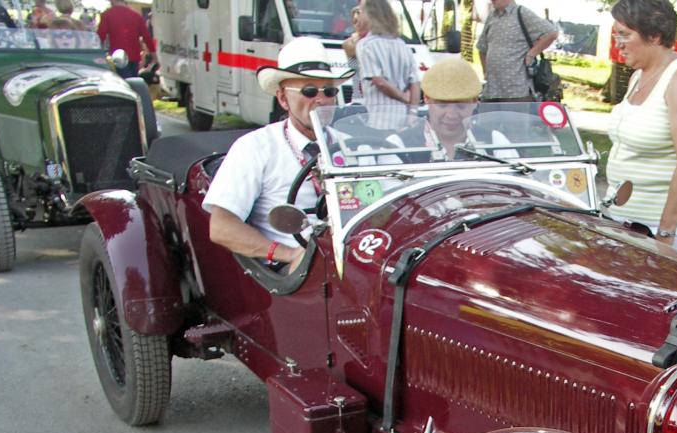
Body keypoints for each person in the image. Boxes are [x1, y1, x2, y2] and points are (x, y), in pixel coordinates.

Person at [203, 38, 354, 269]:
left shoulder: (352, 146)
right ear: (283, 98)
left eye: (329, 90)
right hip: (297, 273)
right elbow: (221, 227)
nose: (321, 100)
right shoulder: (255, 148)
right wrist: (289, 254)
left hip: (356, 260)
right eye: (309, 91)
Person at [605, 0, 677, 259]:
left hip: (671, 228)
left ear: (654, 36)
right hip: (629, 220)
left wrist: (666, 234)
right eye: (615, 35)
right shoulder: (639, 76)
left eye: (624, 34)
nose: (618, 43)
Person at [398, 57, 487, 158]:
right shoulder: (399, 145)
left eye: (461, 106)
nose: (451, 114)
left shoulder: (495, 141)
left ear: (475, 101)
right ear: (426, 98)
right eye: (442, 105)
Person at [354, 0, 419, 129]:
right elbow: (415, 83)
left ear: (370, 15)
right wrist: (413, 111)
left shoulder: (366, 45)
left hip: (378, 119)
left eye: (360, 12)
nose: (358, 16)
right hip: (403, 118)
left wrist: (403, 98)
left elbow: (379, 81)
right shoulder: (403, 45)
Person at [476, 0, 557, 101]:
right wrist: (485, 72)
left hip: (516, 92)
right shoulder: (492, 16)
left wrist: (531, 54)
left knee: (516, 117)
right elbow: (482, 47)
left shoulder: (522, 13)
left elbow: (551, 33)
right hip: (492, 90)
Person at [97, 0, 151, 79]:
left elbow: (100, 37)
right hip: (134, 56)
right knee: (133, 81)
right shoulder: (136, 15)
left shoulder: (107, 15)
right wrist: (154, 56)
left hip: (118, 56)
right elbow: (147, 38)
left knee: (124, 82)